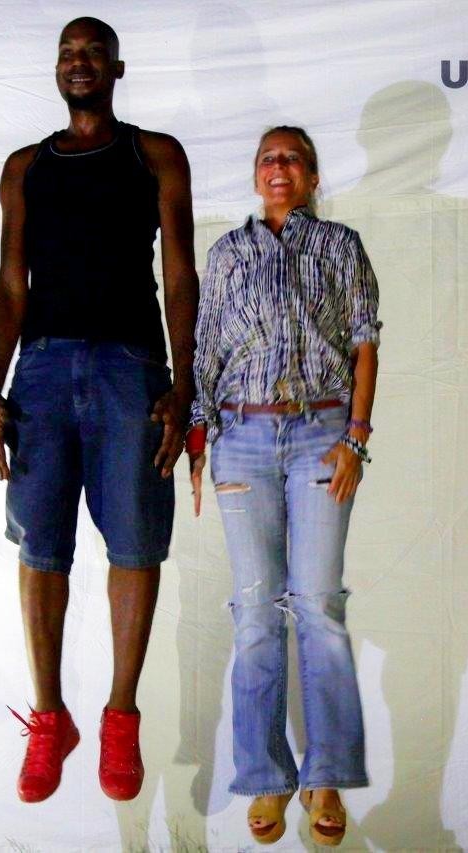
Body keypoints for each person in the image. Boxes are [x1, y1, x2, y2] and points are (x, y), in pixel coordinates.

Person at [0, 16, 198, 803]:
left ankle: (120, 715)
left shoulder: (155, 154)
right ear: (57, 69)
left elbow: (180, 272)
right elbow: (10, 284)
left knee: (135, 541)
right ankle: (49, 717)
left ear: (116, 68)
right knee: (41, 545)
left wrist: (185, 377)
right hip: (39, 368)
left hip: (129, 364)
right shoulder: (26, 167)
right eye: (67, 53)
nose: (79, 62)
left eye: (92, 52)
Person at [187, 126, 379, 846]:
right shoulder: (228, 254)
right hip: (241, 438)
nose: (279, 167)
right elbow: (205, 348)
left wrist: (355, 438)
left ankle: (326, 772)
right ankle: (265, 775)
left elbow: (365, 343)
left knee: (319, 604)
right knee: (256, 610)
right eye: (268, 158)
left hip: (320, 435)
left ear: (313, 175)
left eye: (292, 158)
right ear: (255, 173)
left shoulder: (340, 247)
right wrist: (199, 439)